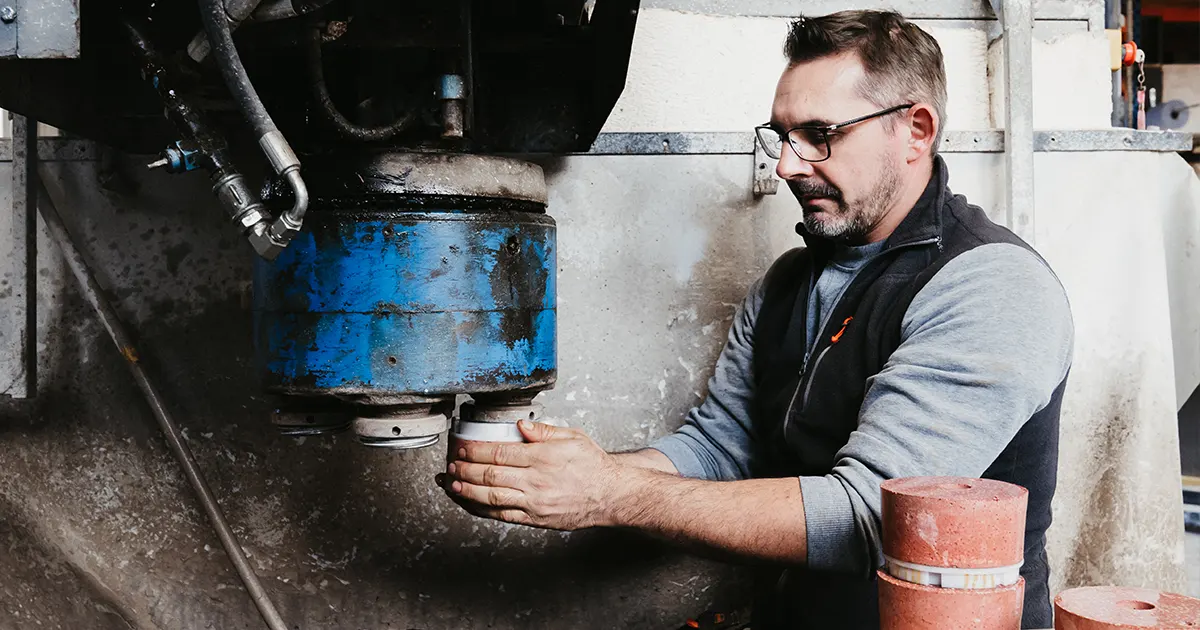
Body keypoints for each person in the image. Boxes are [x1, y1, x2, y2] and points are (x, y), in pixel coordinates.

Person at [436, 10, 1073, 629]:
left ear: (916, 130)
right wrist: (564, 472)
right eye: (781, 136)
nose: (789, 166)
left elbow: (871, 514)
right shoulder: (787, 283)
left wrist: (609, 493)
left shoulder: (989, 285)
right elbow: (721, 447)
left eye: (821, 135)